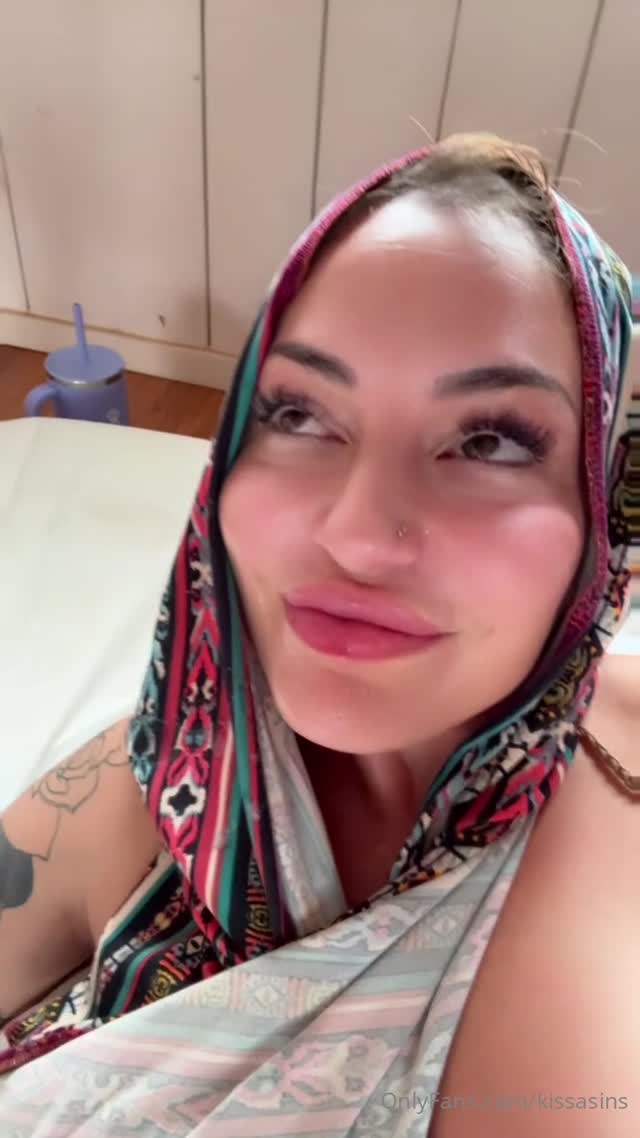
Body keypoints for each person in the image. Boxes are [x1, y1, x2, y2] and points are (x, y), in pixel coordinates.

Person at [1, 133, 638, 1135]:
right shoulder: (161, 783)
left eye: (490, 440)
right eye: (297, 413)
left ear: (607, 513)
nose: (355, 533)